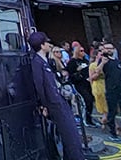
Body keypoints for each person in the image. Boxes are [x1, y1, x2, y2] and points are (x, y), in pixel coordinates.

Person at [29, 31, 86, 160]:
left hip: (58, 100)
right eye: (47, 42)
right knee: (70, 135)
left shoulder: (45, 61)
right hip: (53, 103)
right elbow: (39, 85)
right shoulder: (37, 62)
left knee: (71, 135)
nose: (49, 45)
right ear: (42, 45)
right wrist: (43, 105)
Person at [66, 44, 96, 126]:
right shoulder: (72, 62)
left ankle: (89, 118)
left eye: (83, 51)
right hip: (78, 84)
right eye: (81, 51)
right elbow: (70, 74)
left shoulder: (85, 61)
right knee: (86, 100)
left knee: (90, 100)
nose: (83, 52)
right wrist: (78, 71)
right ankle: (84, 119)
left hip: (87, 83)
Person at [89, 47, 108, 132]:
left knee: (107, 107)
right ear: (96, 56)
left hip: (105, 84)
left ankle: (104, 121)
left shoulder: (106, 64)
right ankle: (106, 122)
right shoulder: (93, 65)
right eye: (100, 55)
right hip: (98, 86)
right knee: (104, 107)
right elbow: (92, 78)